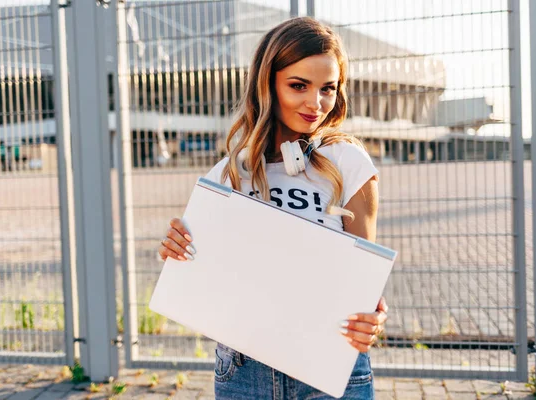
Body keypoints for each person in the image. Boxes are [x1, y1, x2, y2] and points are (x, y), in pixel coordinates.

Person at [158, 17, 388, 400]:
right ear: (268, 85)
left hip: (329, 367)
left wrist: (375, 317)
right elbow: (199, 276)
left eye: (327, 89)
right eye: (299, 86)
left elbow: (365, 282)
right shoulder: (231, 171)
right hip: (243, 370)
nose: (315, 103)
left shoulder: (351, 163)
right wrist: (175, 250)